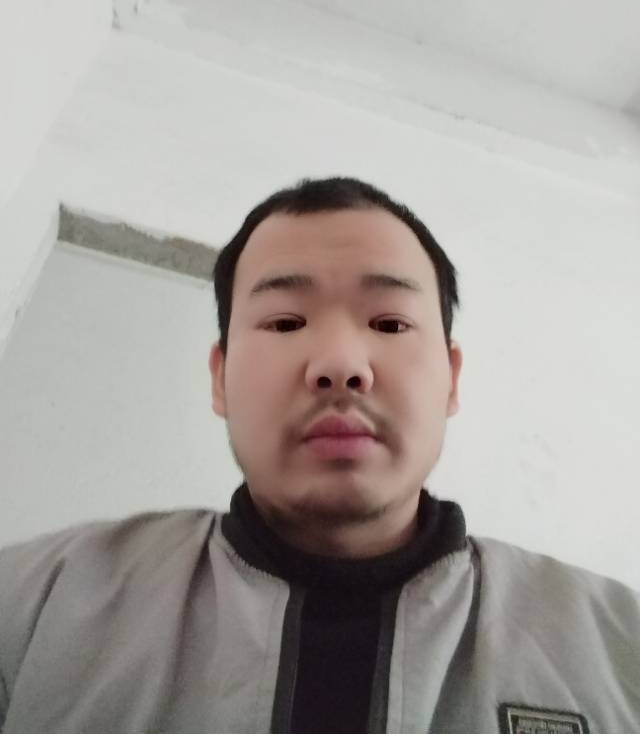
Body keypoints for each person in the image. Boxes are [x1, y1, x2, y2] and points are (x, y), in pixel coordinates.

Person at [0, 176, 638, 734]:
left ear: (451, 378)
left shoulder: (617, 646)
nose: (339, 364)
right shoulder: (32, 608)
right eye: (284, 322)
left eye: (389, 324)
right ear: (220, 378)